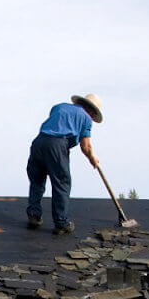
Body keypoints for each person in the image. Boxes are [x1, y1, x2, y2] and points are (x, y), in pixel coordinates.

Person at [26, 93, 103, 235]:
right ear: (91, 111)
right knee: (62, 182)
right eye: (93, 115)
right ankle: (61, 223)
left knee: (37, 180)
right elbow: (85, 146)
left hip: (39, 142)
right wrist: (92, 157)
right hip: (57, 145)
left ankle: (34, 216)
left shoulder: (59, 107)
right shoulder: (86, 118)